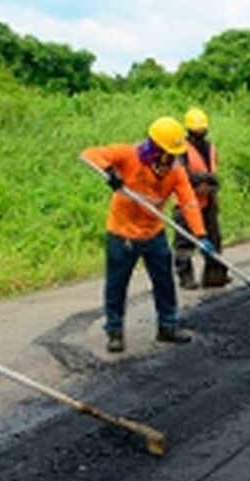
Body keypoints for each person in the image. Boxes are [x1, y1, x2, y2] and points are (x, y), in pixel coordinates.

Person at [81, 117, 215, 353]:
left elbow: (189, 202)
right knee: (116, 285)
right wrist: (111, 172)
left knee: (164, 282)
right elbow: (90, 154)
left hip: (154, 233)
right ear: (155, 148)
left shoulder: (175, 172)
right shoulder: (128, 155)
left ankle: (168, 327)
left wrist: (201, 235)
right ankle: (114, 332)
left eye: (174, 154)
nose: (171, 159)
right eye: (167, 153)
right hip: (122, 234)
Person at [175, 108, 229, 289]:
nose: (201, 133)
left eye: (203, 130)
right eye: (197, 130)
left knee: (214, 239)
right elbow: (181, 176)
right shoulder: (181, 149)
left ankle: (214, 274)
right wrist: (202, 178)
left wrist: (212, 182)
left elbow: (214, 168)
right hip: (187, 202)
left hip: (209, 201)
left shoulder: (210, 147)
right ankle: (185, 276)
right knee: (184, 243)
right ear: (189, 130)